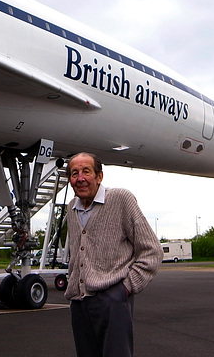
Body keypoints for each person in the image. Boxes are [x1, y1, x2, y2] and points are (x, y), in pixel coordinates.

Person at [64, 152, 163, 357]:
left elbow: (152, 250)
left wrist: (125, 289)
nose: (80, 178)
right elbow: (77, 255)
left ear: (99, 176)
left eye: (86, 171)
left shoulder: (120, 199)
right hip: (79, 302)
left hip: (112, 299)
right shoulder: (71, 209)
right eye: (74, 173)